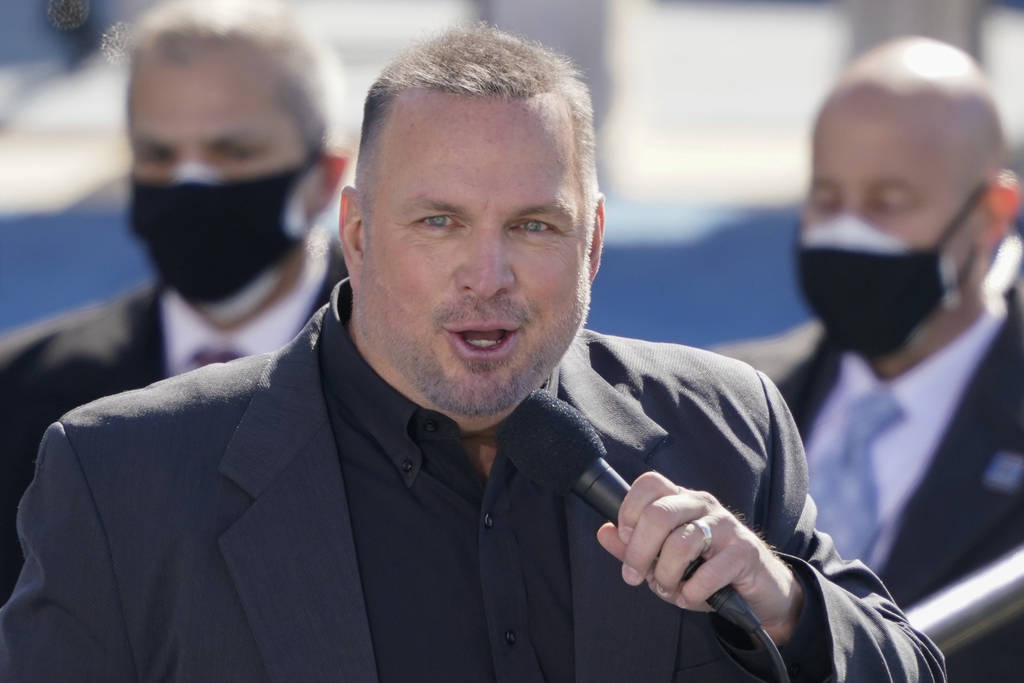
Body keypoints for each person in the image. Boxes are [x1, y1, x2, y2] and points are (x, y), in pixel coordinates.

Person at [0, 26, 944, 682]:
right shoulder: (124, 474)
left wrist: (778, 599)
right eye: (440, 221)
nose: (485, 274)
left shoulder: (720, 422)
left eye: (533, 224)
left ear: (595, 244)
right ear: (358, 236)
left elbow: (909, 664)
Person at [0, 0, 348, 603]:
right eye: (158, 156)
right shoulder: (21, 394)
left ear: (324, 174)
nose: (191, 184)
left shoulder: (420, 370)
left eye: (232, 152)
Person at [721, 37, 1022, 681]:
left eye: (889, 202)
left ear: (991, 216)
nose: (848, 230)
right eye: (828, 199)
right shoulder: (725, 398)